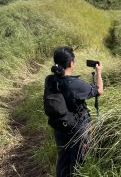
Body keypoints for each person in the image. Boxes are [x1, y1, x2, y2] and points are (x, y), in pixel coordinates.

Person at [43, 46, 104, 177]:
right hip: (78, 129)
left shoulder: (50, 80)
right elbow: (99, 90)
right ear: (71, 63)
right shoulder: (75, 84)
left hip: (60, 126)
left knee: (63, 161)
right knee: (78, 164)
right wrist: (99, 72)